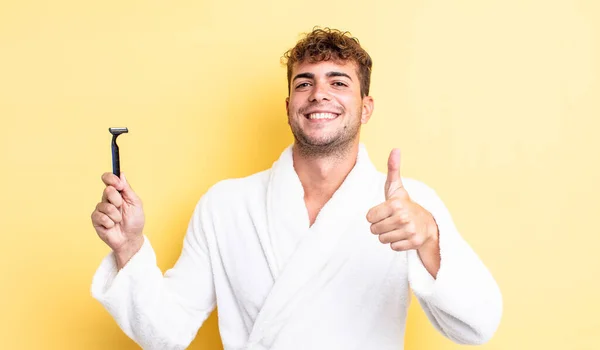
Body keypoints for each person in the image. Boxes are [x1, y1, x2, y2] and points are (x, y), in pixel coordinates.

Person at [91, 27, 502, 350]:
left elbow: (478, 326)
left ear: (367, 106)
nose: (319, 93)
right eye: (304, 83)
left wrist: (429, 239)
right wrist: (129, 247)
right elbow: (166, 334)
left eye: (338, 82)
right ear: (289, 104)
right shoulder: (225, 206)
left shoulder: (410, 208)